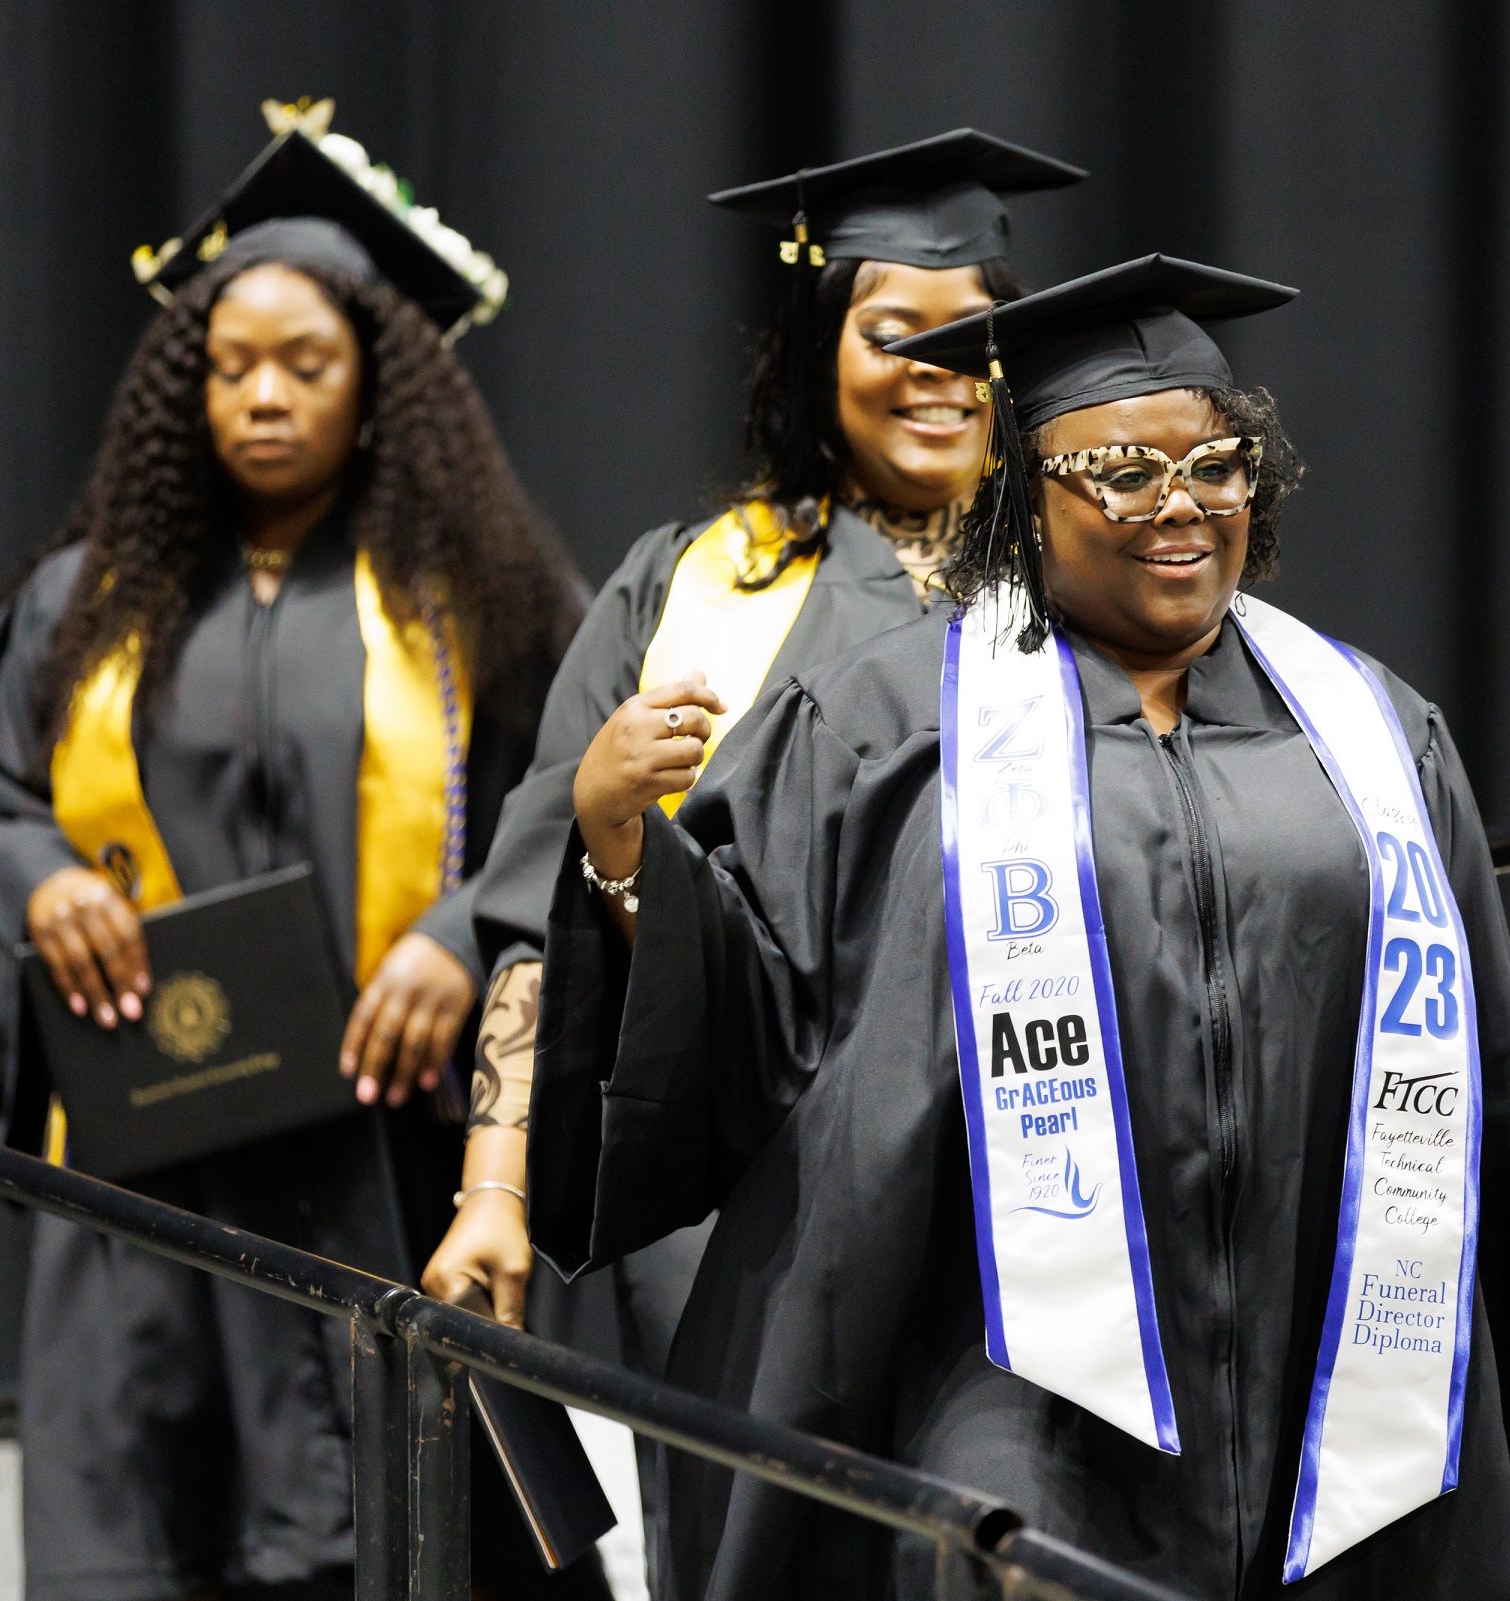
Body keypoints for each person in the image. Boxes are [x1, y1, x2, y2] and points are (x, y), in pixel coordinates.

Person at [529, 255, 1510, 1599]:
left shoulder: (1373, 732)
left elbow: (1487, 1082)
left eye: (1219, 466)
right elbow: (735, 1027)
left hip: (1341, 1373)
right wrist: (617, 855)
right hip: (1005, 1379)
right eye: (1120, 469)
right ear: (1025, 498)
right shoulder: (879, 725)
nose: (1179, 506)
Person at [0, 104, 592, 1601]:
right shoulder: (93, 604)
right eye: (229, 368)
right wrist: (45, 881)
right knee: (152, 1530)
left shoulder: (474, 599)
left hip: (385, 1158)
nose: (262, 398)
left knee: (405, 1531)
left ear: (378, 385)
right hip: (152, 1163)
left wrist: (465, 932)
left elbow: (585, 801)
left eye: (305, 365)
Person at [420, 129, 1083, 1365]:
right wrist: (494, 1191)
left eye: (972, 335)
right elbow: (536, 914)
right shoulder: (685, 589)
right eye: (893, 331)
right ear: (819, 353)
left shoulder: (1092, 592)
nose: (937, 369)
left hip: (1034, 1179)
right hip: (739, 1206)